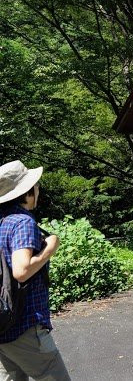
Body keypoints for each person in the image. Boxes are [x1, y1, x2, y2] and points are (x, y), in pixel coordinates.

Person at [0, 160, 69, 380]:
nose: (38, 189)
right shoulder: (22, 222)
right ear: (27, 193)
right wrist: (51, 246)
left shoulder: (2, 221)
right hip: (24, 324)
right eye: (35, 185)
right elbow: (22, 271)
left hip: (2, 325)